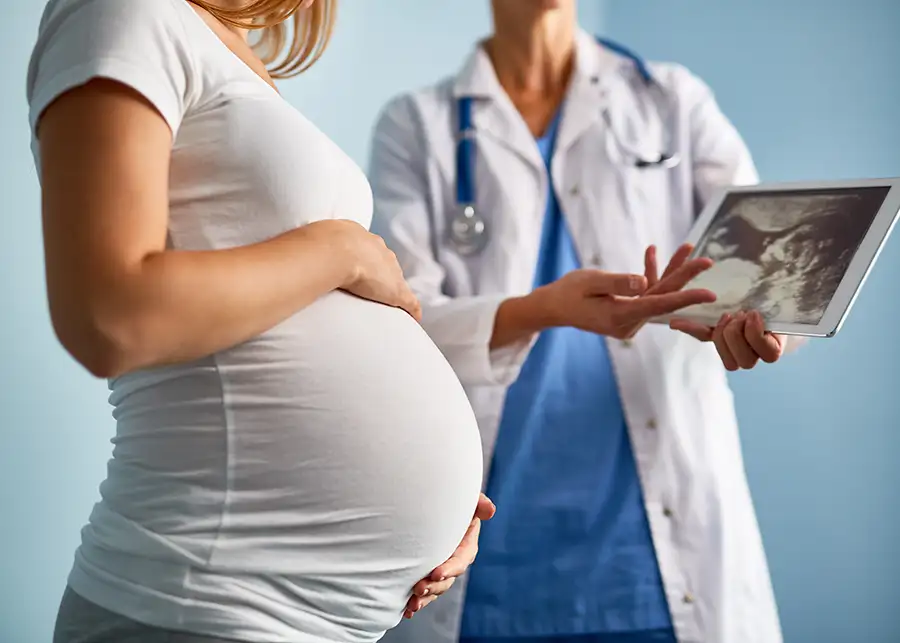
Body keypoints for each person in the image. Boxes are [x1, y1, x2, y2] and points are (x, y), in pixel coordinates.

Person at [28, 0, 505, 641]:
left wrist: (436, 512)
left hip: (310, 612)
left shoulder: (223, 52)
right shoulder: (124, 11)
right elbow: (109, 316)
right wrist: (341, 248)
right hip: (205, 599)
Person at [368, 1, 804, 642]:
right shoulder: (418, 124)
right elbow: (401, 326)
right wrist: (544, 308)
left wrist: (774, 330)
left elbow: (767, 273)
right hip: (490, 557)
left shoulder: (671, 101)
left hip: (654, 563)